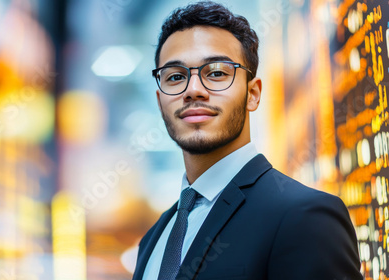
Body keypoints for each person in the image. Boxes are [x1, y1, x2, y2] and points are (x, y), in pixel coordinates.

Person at [132, 1, 363, 280]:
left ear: (252, 94)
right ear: (160, 101)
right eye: (176, 76)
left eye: (216, 72)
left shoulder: (305, 217)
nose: (193, 90)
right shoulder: (154, 238)